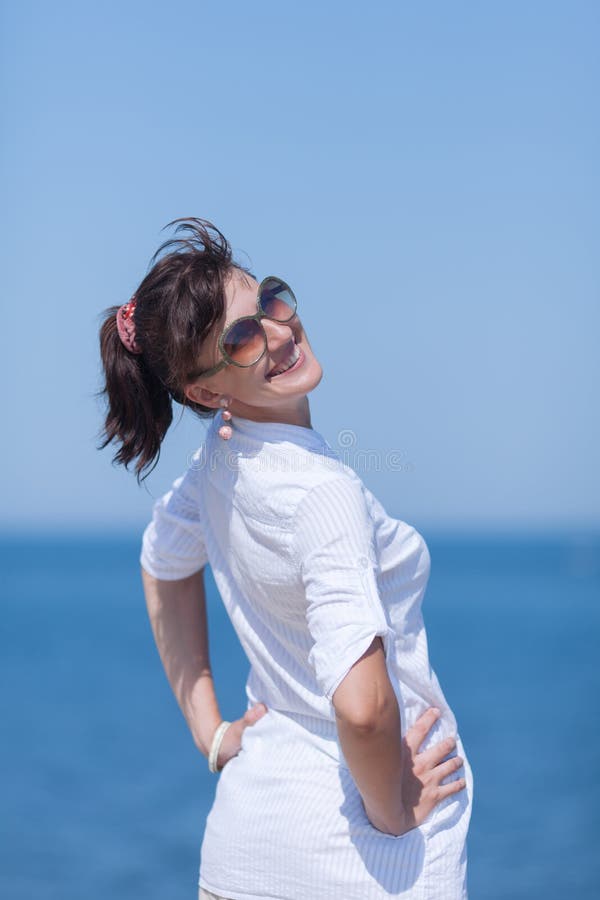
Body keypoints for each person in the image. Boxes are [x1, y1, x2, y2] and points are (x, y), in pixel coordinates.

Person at [97, 217, 474, 900]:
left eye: (269, 302)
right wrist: (393, 815)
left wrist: (212, 733)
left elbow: (161, 564)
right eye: (241, 338)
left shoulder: (219, 459)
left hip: (245, 852)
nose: (278, 332)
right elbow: (361, 709)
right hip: (356, 869)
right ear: (207, 393)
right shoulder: (322, 495)